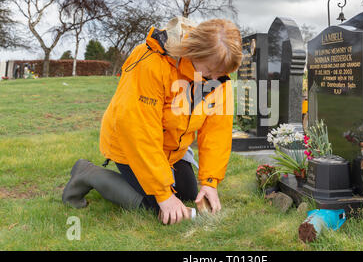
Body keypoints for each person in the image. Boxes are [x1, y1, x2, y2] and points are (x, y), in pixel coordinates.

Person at [62, 17, 243, 225]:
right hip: (129, 144)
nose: (213, 78)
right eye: (210, 70)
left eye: (221, 73)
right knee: (157, 206)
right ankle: (88, 173)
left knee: (186, 196)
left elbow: (216, 132)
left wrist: (210, 182)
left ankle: (161, 186)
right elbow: (139, 131)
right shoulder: (152, 61)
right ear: (193, 51)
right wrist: (162, 194)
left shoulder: (219, 77)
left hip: (171, 149)